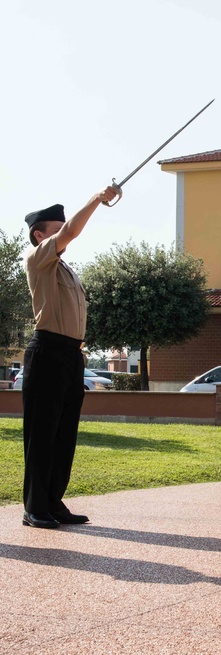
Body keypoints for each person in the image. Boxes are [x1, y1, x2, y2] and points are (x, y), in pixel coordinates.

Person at [21, 188, 117, 528]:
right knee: (42, 433)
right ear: (40, 234)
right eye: (57, 228)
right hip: (47, 352)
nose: (65, 233)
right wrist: (96, 199)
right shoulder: (38, 260)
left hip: (71, 356)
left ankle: (52, 501)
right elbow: (73, 231)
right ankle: (34, 507)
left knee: (64, 434)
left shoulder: (66, 270)